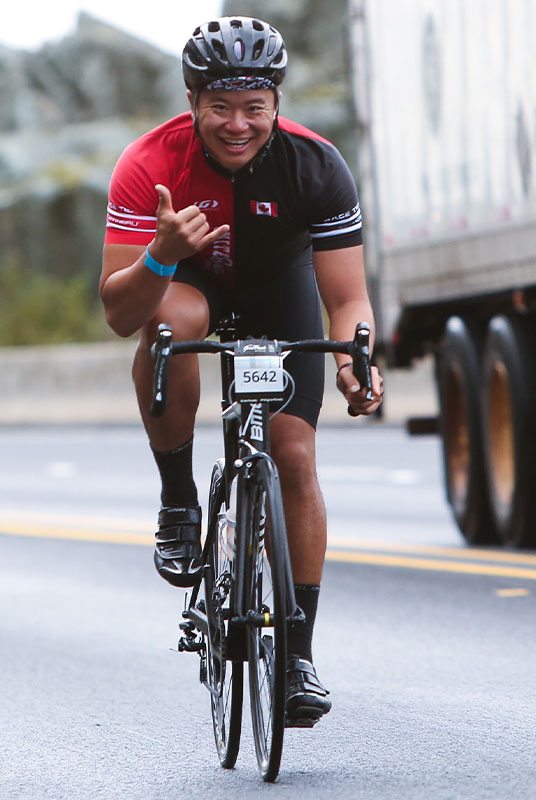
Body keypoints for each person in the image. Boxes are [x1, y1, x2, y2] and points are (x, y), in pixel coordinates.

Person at [100, 15, 383, 727]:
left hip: (279, 292)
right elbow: (121, 314)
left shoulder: (316, 165)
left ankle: (296, 659)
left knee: (294, 455)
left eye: (254, 107)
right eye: (220, 106)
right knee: (171, 326)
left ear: (276, 103)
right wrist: (162, 253)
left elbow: (348, 300)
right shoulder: (148, 163)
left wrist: (354, 361)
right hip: (188, 284)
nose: (237, 124)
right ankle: (178, 502)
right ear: (192, 101)